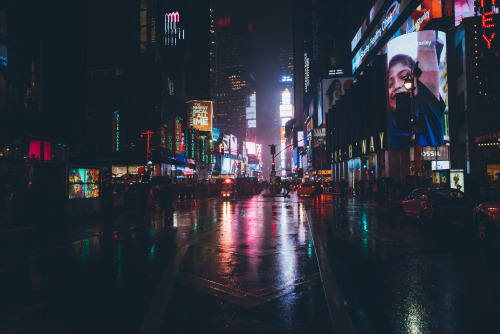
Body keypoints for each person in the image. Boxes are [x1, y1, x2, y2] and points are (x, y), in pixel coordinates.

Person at [387, 31, 446, 149]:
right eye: (390, 84)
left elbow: (426, 48)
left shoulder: (429, 110)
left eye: (404, 76)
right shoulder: (388, 128)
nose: (397, 85)